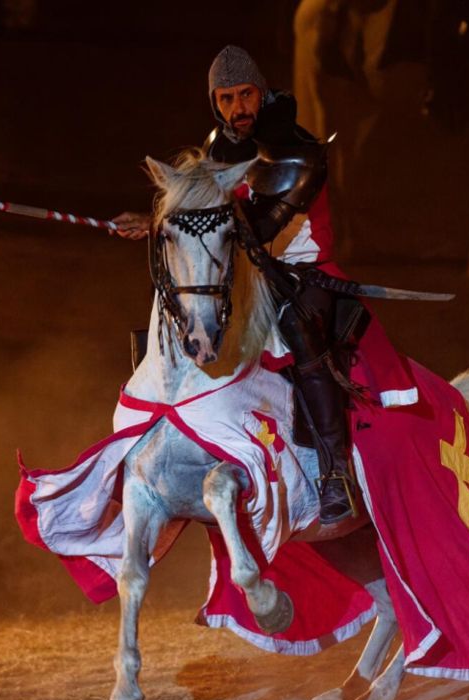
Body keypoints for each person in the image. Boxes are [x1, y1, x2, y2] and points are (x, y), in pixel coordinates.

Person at [114, 45, 365, 523]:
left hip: (303, 270)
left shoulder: (297, 150)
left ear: (262, 92)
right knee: (174, 304)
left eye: (245, 94)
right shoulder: (219, 145)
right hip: (244, 269)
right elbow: (204, 215)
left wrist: (170, 222)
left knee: (301, 332)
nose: (238, 108)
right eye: (226, 99)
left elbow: (261, 228)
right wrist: (161, 223)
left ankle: (335, 473)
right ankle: (156, 433)